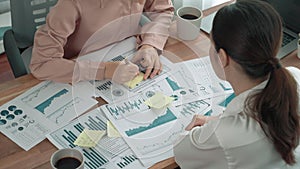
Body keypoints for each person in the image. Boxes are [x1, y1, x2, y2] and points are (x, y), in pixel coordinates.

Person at [174, 0, 300, 168]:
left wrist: (210, 129)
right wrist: (217, 121)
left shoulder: (225, 137)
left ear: (223, 58)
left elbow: (181, 152)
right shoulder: (294, 76)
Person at [30, 0, 174, 83]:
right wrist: (105, 70)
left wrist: (150, 44)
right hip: (81, 67)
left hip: (125, 53)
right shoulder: (70, 4)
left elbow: (162, 10)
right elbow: (42, 64)